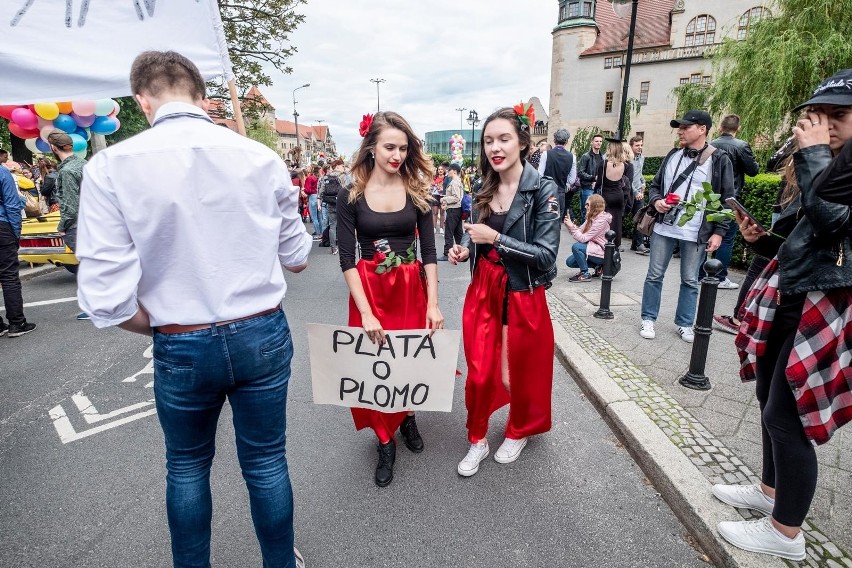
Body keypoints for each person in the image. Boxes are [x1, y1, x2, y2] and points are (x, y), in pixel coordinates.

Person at [75, 50, 310, 568]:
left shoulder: (110, 166)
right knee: (267, 462)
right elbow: (296, 258)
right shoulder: (260, 158)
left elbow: (104, 299)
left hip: (180, 336)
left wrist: (163, 327)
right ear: (203, 96)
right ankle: (279, 562)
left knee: (185, 467)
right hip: (260, 330)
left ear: (141, 99)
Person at [712, 69, 852, 562]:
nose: (826, 125)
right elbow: (813, 239)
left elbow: (834, 221)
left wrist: (813, 153)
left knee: (787, 416)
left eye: (840, 115)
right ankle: (771, 492)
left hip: (824, 305)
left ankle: (786, 534)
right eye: (821, 115)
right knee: (766, 394)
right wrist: (764, 240)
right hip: (794, 293)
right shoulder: (828, 164)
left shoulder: (832, 164)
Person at [448, 106, 560, 476]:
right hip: (483, 288)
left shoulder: (543, 190)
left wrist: (495, 238)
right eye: (489, 140)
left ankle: (519, 430)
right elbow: (480, 236)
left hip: (521, 291)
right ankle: (477, 438)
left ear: (523, 143)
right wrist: (467, 248)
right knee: (480, 372)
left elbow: (545, 256)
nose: (495, 147)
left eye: (504, 139)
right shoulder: (486, 186)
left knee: (516, 375)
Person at [336, 111, 444, 487]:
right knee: (372, 366)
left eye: (403, 148)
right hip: (370, 292)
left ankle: (408, 417)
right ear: (371, 147)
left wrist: (433, 303)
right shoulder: (350, 194)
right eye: (389, 147)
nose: (397, 155)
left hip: (409, 290)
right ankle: (385, 439)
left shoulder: (418, 193)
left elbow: (429, 252)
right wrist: (365, 312)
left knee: (407, 358)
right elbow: (347, 258)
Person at [639, 110, 734, 343]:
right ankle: (648, 318)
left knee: (690, 280)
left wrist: (719, 232)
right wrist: (656, 201)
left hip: (695, 230)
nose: (680, 131)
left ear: (702, 129)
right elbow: (655, 186)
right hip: (664, 226)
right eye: (679, 127)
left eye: (685, 127)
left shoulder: (719, 159)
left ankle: (684, 323)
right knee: (654, 275)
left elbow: (727, 199)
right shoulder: (672, 155)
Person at [705, 114, 760, 289]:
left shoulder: (710, 145)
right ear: (738, 129)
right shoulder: (741, 146)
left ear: (720, 128)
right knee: (727, 238)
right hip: (731, 198)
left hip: (709, 196)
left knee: (703, 236)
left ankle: (700, 274)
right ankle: (720, 277)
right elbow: (753, 170)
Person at [0, 157, 36, 337]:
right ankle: (17, 323)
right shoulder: (2, 172)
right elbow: (12, 204)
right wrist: (15, 232)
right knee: (8, 276)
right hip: (2, 226)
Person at [594, 139, 634, 250]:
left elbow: (599, 183)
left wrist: (595, 190)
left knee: (605, 220)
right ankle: (616, 244)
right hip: (619, 195)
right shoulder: (625, 165)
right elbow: (626, 182)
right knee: (617, 220)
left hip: (606, 195)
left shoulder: (604, 164)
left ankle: (604, 243)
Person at [564, 194, 611, 282]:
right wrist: (570, 226)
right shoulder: (591, 217)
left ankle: (585, 273)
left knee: (577, 247)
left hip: (601, 251)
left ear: (595, 206)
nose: (585, 207)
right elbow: (579, 231)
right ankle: (598, 267)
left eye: (588, 204)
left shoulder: (601, 221)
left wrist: (572, 226)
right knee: (570, 262)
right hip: (592, 248)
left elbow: (583, 239)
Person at [538, 128, 577, 219]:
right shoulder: (572, 157)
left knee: (548, 220)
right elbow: (572, 179)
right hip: (560, 193)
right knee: (556, 221)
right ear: (566, 141)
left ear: (554, 140)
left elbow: (540, 175)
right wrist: (565, 185)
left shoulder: (546, 154)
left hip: (547, 192)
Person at [319, 158, 346, 255]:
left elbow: (321, 192)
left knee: (332, 226)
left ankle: (333, 248)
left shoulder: (326, 177)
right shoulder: (343, 176)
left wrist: (321, 201)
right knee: (343, 225)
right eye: (342, 166)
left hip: (330, 204)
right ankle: (344, 245)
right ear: (338, 166)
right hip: (342, 204)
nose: (343, 168)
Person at [628, 135, 649, 255]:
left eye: (641, 145)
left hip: (638, 194)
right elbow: (627, 178)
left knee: (640, 218)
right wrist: (635, 192)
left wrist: (643, 182)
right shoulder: (627, 159)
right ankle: (615, 243)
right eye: (637, 145)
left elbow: (639, 174)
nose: (640, 147)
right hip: (628, 193)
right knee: (620, 217)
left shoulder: (642, 158)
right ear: (631, 146)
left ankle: (638, 244)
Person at [439, 163, 464, 261]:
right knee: (458, 233)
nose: (447, 171)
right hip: (457, 209)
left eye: (449, 170)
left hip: (453, 210)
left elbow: (456, 197)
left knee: (449, 232)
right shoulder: (458, 181)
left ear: (454, 171)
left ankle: (447, 254)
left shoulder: (454, 182)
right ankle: (461, 252)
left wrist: (444, 199)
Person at [577, 133, 604, 223]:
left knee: (597, 214)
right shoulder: (586, 156)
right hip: (587, 188)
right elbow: (580, 173)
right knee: (586, 212)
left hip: (598, 189)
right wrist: (593, 178)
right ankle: (582, 234)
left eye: (600, 141)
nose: (598, 143)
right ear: (592, 142)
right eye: (596, 141)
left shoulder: (602, 157)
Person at [304, 165, 322, 239]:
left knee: (314, 218)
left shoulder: (310, 178)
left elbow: (307, 189)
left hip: (312, 196)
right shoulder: (320, 178)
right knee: (320, 217)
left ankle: (318, 233)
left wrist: (303, 190)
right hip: (319, 197)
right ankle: (321, 232)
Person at [431, 164, 446, 234]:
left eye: (441, 169)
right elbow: (431, 183)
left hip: (443, 196)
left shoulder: (446, 178)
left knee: (442, 213)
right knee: (435, 212)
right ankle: (434, 227)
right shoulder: (435, 177)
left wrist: (442, 188)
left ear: (444, 171)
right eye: (439, 169)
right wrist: (435, 185)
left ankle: (441, 228)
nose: (440, 171)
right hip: (435, 195)